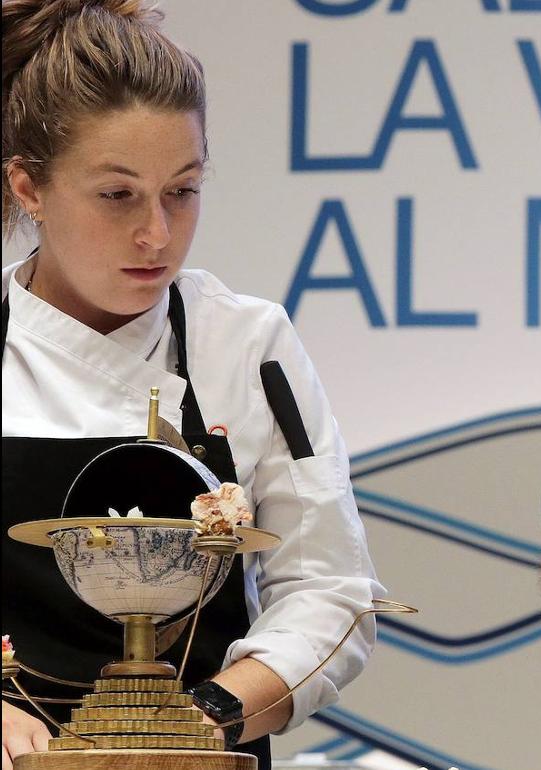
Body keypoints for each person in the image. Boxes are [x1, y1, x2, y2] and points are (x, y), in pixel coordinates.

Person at [0, 2, 384, 768]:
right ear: (28, 187)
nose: (157, 235)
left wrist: (206, 719)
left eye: (183, 190)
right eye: (118, 196)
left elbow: (332, 593)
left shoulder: (247, 344)